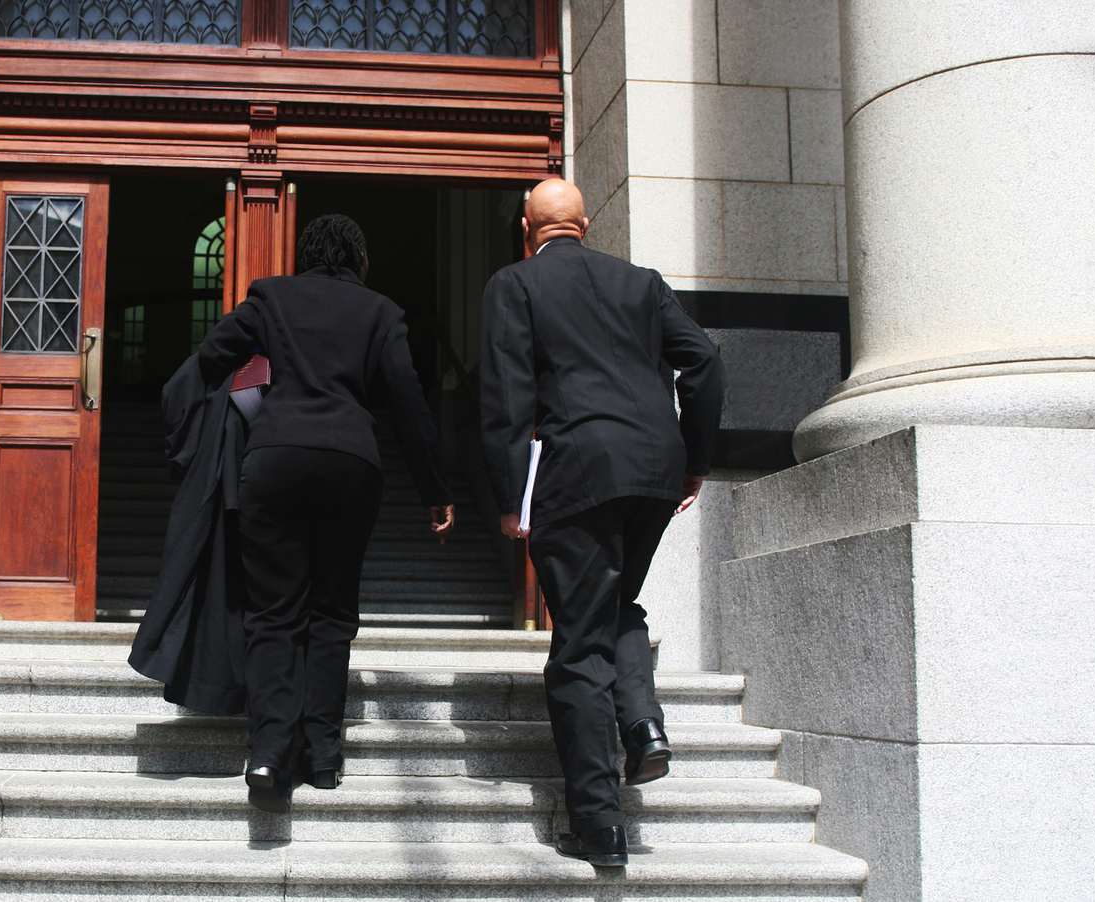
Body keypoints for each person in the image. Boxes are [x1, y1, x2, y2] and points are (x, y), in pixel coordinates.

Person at [480, 178, 724, 866]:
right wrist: (694, 460)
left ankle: (599, 828)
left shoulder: (515, 284)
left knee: (580, 640)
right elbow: (703, 361)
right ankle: (643, 728)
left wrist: (509, 497)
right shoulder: (642, 283)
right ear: (584, 223)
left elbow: (506, 398)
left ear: (527, 225)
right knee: (615, 604)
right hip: (652, 470)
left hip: (578, 471)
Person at [198, 213, 456, 814]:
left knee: (273, 612)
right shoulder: (381, 312)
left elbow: (214, 354)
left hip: (275, 458)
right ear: (359, 260)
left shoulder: (271, 296)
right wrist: (434, 489)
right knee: (333, 611)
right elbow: (408, 402)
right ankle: (322, 756)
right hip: (351, 462)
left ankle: (267, 755)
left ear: (305, 254)